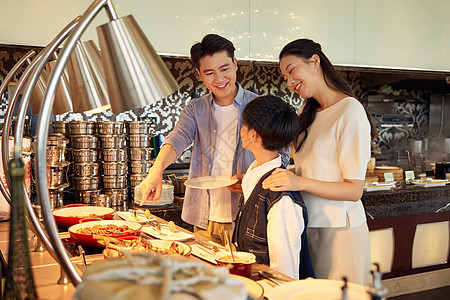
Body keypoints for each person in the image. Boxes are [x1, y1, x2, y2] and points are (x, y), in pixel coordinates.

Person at [138, 34, 289, 245]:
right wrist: (157, 170)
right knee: (207, 274)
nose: (219, 79)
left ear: (235, 64)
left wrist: (253, 177)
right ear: (199, 74)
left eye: (225, 69)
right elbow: (178, 137)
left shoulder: (259, 106)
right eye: (209, 72)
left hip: (246, 213)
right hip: (203, 216)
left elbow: (282, 153)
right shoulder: (195, 108)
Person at [262, 39, 377, 285]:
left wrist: (298, 181)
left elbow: (353, 189)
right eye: (284, 77)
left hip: (340, 232)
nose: (289, 81)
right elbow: (310, 170)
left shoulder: (350, 111)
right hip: (310, 224)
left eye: (291, 70)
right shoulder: (307, 113)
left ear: (314, 61)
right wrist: (263, 178)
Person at [232, 95, 315, 280]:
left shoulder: (282, 198)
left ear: (253, 134)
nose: (241, 130)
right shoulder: (255, 177)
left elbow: (284, 273)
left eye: (244, 124)